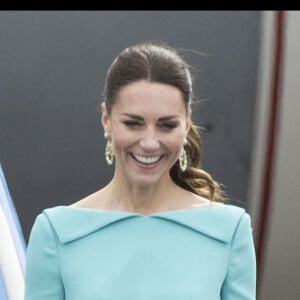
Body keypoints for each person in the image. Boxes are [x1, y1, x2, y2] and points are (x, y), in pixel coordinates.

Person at [24, 41, 256, 299]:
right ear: (106, 119)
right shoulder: (56, 233)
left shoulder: (230, 231)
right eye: (133, 123)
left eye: (166, 125)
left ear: (187, 123)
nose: (149, 143)